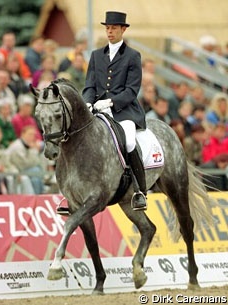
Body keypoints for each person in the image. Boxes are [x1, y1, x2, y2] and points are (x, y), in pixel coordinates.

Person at [82, 11, 147, 210]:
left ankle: (139, 191)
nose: (110, 32)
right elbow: (90, 85)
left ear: (123, 30)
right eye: (107, 28)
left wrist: (110, 102)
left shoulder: (132, 56)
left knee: (128, 140)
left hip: (124, 111)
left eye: (114, 28)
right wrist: (87, 102)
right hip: (98, 109)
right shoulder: (96, 55)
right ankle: (75, 190)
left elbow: (131, 90)